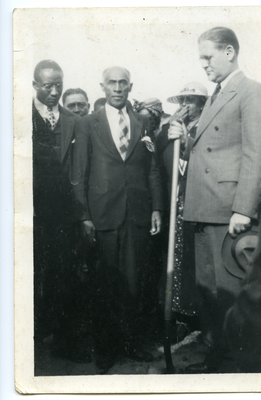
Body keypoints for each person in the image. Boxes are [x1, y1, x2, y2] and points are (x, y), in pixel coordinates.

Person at [168, 27, 261, 373]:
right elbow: (213, 152)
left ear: (229, 52)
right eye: (200, 58)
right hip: (202, 208)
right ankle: (219, 356)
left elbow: (256, 153)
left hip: (227, 210)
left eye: (207, 57)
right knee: (208, 290)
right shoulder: (216, 94)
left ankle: (238, 365)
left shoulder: (250, 91)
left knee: (229, 294)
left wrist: (243, 208)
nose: (203, 65)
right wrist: (187, 138)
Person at [72, 66, 163, 370]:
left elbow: (150, 169)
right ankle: (106, 350)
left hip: (136, 214)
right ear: (102, 87)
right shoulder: (88, 123)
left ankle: (131, 343)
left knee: (135, 285)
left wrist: (156, 208)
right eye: (112, 83)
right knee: (105, 285)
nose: (118, 87)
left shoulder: (142, 122)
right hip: (103, 215)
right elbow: (80, 171)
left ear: (130, 86)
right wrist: (84, 216)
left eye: (123, 82)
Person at [32, 60, 89, 364]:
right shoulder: (18, 116)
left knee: (64, 278)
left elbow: (79, 169)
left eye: (59, 85)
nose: (54, 92)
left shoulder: (73, 121)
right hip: (29, 216)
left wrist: (80, 214)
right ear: (34, 85)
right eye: (47, 86)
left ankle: (63, 344)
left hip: (64, 216)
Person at [155, 83, 207, 340]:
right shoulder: (170, 127)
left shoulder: (205, 127)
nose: (186, 104)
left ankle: (195, 315)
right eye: (183, 99)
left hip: (197, 202)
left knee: (193, 259)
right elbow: (160, 157)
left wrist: (187, 139)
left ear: (202, 104)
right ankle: (176, 315)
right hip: (175, 201)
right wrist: (169, 131)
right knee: (173, 257)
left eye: (192, 100)